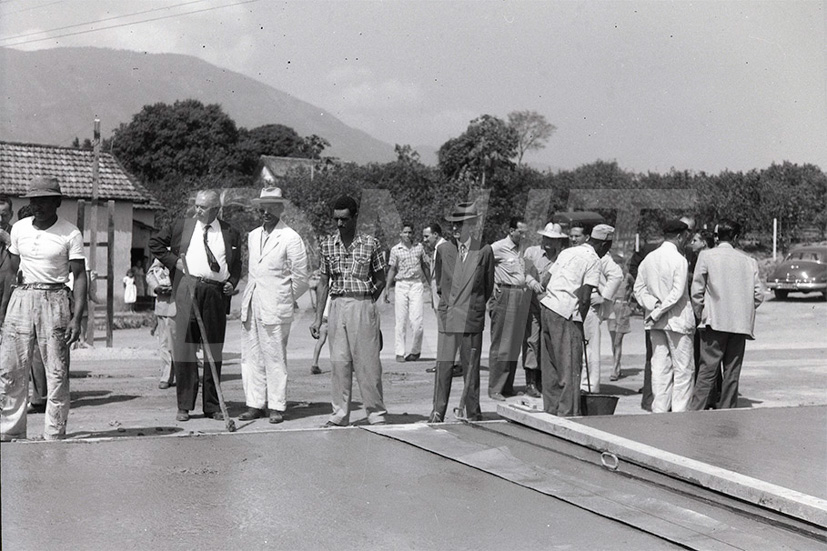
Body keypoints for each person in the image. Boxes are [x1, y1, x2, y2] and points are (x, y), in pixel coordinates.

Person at [0, 176, 87, 441]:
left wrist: (77, 317)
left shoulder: (70, 233)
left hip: (55, 298)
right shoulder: (20, 229)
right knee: (11, 368)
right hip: (21, 298)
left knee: (57, 371)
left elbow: (80, 276)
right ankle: (10, 429)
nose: (38, 206)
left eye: (45, 201)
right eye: (34, 201)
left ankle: (54, 430)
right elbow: (12, 270)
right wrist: (4, 306)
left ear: (57, 202)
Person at [149, 189, 242, 422]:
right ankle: (184, 405)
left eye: (203, 207)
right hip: (187, 289)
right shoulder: (182, 226)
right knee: (185, 348)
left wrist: (231, 282)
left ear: (216, 210)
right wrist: (174, 262)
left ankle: (212, 406)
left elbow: (237, 264)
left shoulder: (231, 232)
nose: (197, 210)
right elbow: (155, 243)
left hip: (215, 294)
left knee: (213, 349)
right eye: (196, 205)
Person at [310, 195, 387, 427]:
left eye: (344, 219)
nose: (339, 224)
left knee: (367, 363)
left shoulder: (370, 243)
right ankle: (340, 414)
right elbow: (323, 282)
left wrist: (367, 305)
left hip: (362, 304)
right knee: (339, 362)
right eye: (336, 219)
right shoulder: (327, 245)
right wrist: (318, 318)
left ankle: (376, 413)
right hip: (337, 306)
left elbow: (380, 279)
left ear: (355, 217)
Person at [239, 187, 309, 424]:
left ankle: (276, 406)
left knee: (275, 357)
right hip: (253, 302)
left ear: (280, 209)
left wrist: (284, 297)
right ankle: (254, 403)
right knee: (251, 356)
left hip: (276, 304)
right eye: (263, 207)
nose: (265, 212)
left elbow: (301, 278)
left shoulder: (291, 238)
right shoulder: (253, 235)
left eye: (271, 207)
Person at [427, 201, 494, 423]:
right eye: (453, 224)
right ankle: (438, 412)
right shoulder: (443, 250)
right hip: (449, 317)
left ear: (472, 225)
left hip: (472, 319)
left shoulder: (484, 250)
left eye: (461, 224)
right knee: (444, 366)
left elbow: (487, 284)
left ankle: (473, 412)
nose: (455, 228)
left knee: (471, 369)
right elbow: (439, 284)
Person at [689, 219, 764, 410]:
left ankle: (695, 412)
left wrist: (701, 313)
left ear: (716, 236)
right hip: (739, 326)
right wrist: (743, 309)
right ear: (736, 238)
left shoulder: (706, 257)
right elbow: (758, 295)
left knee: (707, 371)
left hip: (714, 323)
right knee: (731, 374)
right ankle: (727, 413)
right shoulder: (749, 261)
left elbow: (696, 292)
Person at [539, 224, 612, 417]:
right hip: (566, 313)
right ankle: (568, 415)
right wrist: (579, 325)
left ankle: (551, 410)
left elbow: (546, 280)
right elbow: (586, 296)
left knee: (551, 366)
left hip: (547, 308)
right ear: (604, 244)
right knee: (570, 367)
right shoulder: (594, 259)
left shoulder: (567, 252)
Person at [633, 219, 696, 413]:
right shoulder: (679, 260)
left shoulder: (649, 258)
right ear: (679, 236)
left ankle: (659, 411)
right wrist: (659, 309)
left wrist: (652, 306)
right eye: (686, 236)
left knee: (659, 368)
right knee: (683, 370)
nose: (687, 240)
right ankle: (679, 413)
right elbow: (677, 294)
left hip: (655, 321)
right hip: (677, 320)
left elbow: (638, 288)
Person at [487, 216, 532, 401]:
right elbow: (479, 265)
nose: (522, 236)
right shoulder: (497, 247)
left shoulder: (521, 249)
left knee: (514, 343)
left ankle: (507, 385)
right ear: (511, 230)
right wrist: (490, 285)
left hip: (520, 295)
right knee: (501, 343)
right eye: (520, 232)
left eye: (525, 233)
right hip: (505, 294)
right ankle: (495, 388)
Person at [522, 222, 568, 398]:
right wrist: (532, 282)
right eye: (547, 238)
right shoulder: (531, 252)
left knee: (548, 342)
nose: (549, 242)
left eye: (553, 239)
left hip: (553, 304)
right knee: (532, 340)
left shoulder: (562, 257)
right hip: (534, 303)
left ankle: (546, 379)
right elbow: (523, 271)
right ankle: (531, 381)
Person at [580, 236, 623, 394]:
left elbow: (617, 275)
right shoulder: (572, 253)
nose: (574, 239)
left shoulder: (601, 256)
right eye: (571, 235)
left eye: (577, 236)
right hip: (574, 304)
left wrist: (604, 297)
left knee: (590, 348)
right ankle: (578, 383)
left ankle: (589, 386)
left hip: (590, 305)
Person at [628, 231, 665, 411]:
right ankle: (649, 399)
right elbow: (634, 269)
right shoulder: (650, 250)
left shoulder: (688, 252)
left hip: (673, 313)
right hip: (654, 310)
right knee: (653, 355)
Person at [423, 223, 461, 377]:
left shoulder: (444, 248)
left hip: (444, 296)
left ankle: (453, 364)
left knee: (448, 330)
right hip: (438, 295)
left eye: (427, 236)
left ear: (436, 235)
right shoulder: (438, 249)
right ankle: (444, 362)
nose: (425, 240)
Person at [386, 222, 428, 363]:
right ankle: (399, 352)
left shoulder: (419, 247)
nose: (407, 235)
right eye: (405, 232)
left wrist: (431, 284)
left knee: (417, 322)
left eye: (410, 232)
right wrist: (387, 288)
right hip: (401, 285)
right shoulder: (395, 250)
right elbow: (392, 269)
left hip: (416, 284)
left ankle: (415, 351)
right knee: (400, 320)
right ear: (400, 234)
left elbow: (424, 265)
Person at [146, 258, 176, 389]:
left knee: (177, 344)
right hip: (163, 303)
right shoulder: (163, 253)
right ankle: (166, 375)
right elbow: (150, 274)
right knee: (164, 343)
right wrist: (157, 287)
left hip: (180, 303)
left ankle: (183, 375)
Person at [606, 252, 633, 381]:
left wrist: (630, 302)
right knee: (613, 342)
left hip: (622, 309)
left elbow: (635, 288)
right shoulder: (609, 277)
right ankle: (617, 365)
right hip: (611, 309)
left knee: (618, 341)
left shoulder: (627, 277)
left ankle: (614, 369)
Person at [0, 194, 15, 327]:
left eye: (4, 215)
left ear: (11, 215)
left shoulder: (17, 234)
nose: (0, 219)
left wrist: (8, 241)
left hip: (8, 298)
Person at [310, 297, 330, 375]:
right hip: (333, 315)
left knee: (321, 341)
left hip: (323, 316)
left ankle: (314, 363)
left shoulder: (325, 294)